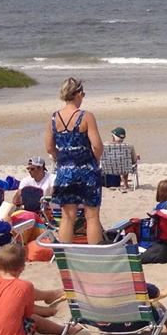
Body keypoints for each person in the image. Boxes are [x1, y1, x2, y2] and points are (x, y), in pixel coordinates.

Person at [46, 77, 105, 245]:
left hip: (65, 172)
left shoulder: (54, 118)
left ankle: (66, 253)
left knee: (67, 216)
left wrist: (63, 159)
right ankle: (94, 254)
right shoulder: (86, 116)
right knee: (92, 216)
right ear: (77, 94)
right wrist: (95, 160)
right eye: (83, 94)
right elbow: (97, 145)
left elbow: (49, 148)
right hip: (86, 170)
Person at [101, 126, 140, 190]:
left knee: (122, 161)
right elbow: (134, 161)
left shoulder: (105, 145)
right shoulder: (129, 146)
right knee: (126, 162)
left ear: (113, 136)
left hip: (108, 169)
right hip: (124, 168)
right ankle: (125, 184)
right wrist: (137, 157)